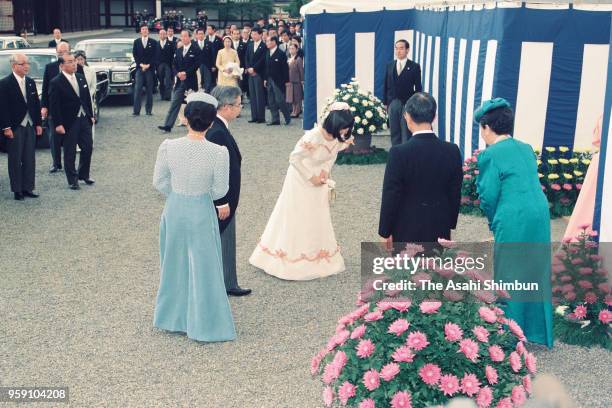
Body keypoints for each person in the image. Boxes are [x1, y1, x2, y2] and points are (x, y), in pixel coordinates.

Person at [153, 92, 236, 343]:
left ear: (186, 119)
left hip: (175, 208)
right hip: (201, 209)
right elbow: (220, 190)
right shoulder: (219, 152)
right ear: (211, 122)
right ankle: (207, 322)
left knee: (173, 263)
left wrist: (178, 194)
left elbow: (159, 182)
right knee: (205, 266)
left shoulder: (168, 146)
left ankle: (172, 318)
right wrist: (200, 194)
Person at [475, 98, 553, 348]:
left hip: (514, 217)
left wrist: (494, 221)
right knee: (536, 268)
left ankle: (510, 335)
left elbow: (488, 195)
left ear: (487, 127)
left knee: (510, 272)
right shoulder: (526, 147)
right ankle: (538, 332)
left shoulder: (490, 154)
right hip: (539, 214)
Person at [249, 103, 354, 280]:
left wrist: (325, 171)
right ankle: (289, 257)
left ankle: (317, 253)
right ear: (334, 124)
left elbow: (332, 153)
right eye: (344, 128)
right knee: (297, 215)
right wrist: (310, 176)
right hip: (300, 178)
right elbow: (294, 158)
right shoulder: (313, 136)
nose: (346, 132)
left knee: (317, 216)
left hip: (318, 180)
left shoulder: (338, 137)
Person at [378, 93, 462, 248]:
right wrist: (450, 222)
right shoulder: (452, 151)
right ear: (434, 117)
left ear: (407, 117)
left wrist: (385, 231)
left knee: (407, 269)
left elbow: (391, 194)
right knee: (438, 270)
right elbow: (454, 191)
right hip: (439, 223)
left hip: (405, 225)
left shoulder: (398, 153)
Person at [208, 86, 251, 296]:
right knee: (225, 240)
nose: (240, 108)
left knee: (225, 241)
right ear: (226, 107)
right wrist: (222, 201)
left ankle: (227, 280)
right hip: (223, 200)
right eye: (238, 104)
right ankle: (227, 283)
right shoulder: (217, 131)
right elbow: (216, 172)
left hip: (225, 198)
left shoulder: (218, 126)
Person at [48, 53, 95, 190]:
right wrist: (58, 124)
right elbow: (54, 106)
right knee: (70, 151)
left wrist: (90, 115)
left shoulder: (80, 78)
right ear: (62, 65)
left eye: (74, 61)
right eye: (70, 62)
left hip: (84, 118)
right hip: (68, 121)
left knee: (87, 147)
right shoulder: (56, 82)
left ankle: (83, 174)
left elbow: (86, 98)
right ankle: (72, 179)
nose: (74, 63)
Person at [0, 54, 43, 200]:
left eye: (27, 63)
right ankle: (17, 190)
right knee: (15, 159)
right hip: (14, 126)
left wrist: (38, 123)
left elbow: (36, 105)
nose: (26, 66)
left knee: (29, 158)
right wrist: (6, 127)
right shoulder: (5, 83)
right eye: (22, 63)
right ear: (14, 66)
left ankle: (28, 188)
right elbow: (2, 107)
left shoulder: (30, 82)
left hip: (30, 125)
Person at [42, 41, 82, 174]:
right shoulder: (50, 67)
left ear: (70, 52)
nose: (62, 54)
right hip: (55, 108)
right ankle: (56, 163)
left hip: (70, 110)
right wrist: (44, 106)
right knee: (54, 137)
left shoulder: (76, 67)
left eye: (64, 52)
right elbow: (45, 88)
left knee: (70, 138)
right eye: (59, 52)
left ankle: (69, 164)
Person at [563, 116, 602, 240]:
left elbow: (596, 139)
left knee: (588, 207)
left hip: (601, 162)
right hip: (601, 163)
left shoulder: (605, 114)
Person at [158, 30, 199, 133]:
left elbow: (196, 65)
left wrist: (186, 73)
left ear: (190, 37)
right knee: (175, 103)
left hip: (190, 81)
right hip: (180, 82)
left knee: (192, 106)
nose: (184, 38)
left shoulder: (196, 49)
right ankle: (167, 125)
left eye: (185, 36)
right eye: (182, 36)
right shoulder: (178, 51)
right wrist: (178, 73)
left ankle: (196, 126)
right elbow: (174, 65)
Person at [384, 40, 422, 145]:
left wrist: (416, 103)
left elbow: (418, 87)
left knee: (406, 130)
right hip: (393, 103)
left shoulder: (414, 66)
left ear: (407, 50)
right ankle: (396, 152)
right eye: (396, 48)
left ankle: (406, 152)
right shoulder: (390, 65)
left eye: (401, 48)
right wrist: (386, 103)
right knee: (394, 129)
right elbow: (386, 85)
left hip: (407, 103)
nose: (398, 51)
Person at [264, 36, 291, 126]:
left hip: (278, 80)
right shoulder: (267, 52)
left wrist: (287, 80)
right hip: (269, 79)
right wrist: (265, 79)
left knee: (280, 100)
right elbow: (266, 67)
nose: (266, 43)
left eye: (268, 41)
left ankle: (287, 117)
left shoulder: (281, 53)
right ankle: (275, 119)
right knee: (271, 100)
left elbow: (285, 68)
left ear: (274, 42)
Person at [132, 24, 158, 116]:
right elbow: (135, 55)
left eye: (146, 29)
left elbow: (155, 55)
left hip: (150, 69)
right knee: (138, 89)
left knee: (149, 90)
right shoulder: (136, 42)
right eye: (143, 29)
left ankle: (148, 111)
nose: (145, 30)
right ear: (140, 31)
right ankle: (136, 111)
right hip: (140, 68)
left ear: (148, 31)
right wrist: (141, 64)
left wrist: (148, 65)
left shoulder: (154, 42)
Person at [74, 50, 97, 144]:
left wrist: (87, 95)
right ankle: (77, 144)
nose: (80, 61)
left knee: (89, 119)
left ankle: (90, 141)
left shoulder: (90, 70)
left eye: (82, 59)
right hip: (76, 99)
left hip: (88, 100)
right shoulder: (73, 71)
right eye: (78, 59)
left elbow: (93, 86)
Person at [245, 28, 266, 123]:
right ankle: (254, 116)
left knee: (259, 95)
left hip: (258, 73)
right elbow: (246, 58)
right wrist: (249, 68)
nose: (253, 36)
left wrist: (254, 69)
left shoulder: (264, 46)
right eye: (252, 34)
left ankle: (261, 117)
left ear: (260, 35)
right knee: (252, 95)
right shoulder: (250, 45)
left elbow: (262, 59)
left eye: (255, 34)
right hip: (250, 73)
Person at [156, 29, 175, 101]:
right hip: (159, 65)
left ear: (166, 35)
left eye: (164, 34)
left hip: (168, 64)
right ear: (159, 35)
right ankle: (162, 95)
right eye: (161, 34)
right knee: (161, 81)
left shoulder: (171, 43)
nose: (162, 35)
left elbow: (173, 54)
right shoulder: (156, 43)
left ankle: (168, 96)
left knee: (168, 80)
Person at [286, 44, 304, 118]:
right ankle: (293, 110)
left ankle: (297, 111)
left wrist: (302, 80)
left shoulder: (298, 59)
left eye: (293, 48)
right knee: (292, 98)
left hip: (297, 81)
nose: (291, 50)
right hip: (290, 81)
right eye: (290, 49)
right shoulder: (288, 58)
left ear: (296, 50)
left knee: (297, 97)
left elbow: (301, 70)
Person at [205, 25, 223, 91]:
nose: (208, 30)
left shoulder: (219, 39)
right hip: (207, 64)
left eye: (209, 29)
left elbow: (221, 53)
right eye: (207, 29)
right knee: (208, 81)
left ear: (213, 30)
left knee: (217, 80)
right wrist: (210, 65)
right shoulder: (205, 39)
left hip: (217, 64)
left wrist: (215, 65)